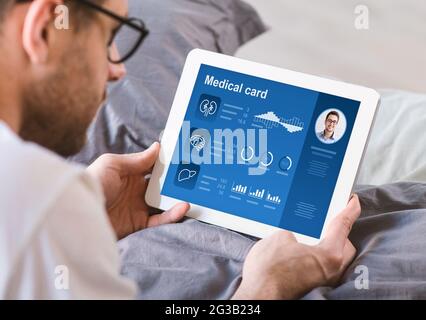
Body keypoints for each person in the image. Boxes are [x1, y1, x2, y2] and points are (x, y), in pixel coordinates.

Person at [0, 0, 361, 299]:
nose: (118, 68)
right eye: (109, 36)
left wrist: (76, 220)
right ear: (44, 28)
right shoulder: (36, 194)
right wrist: (267, 287)